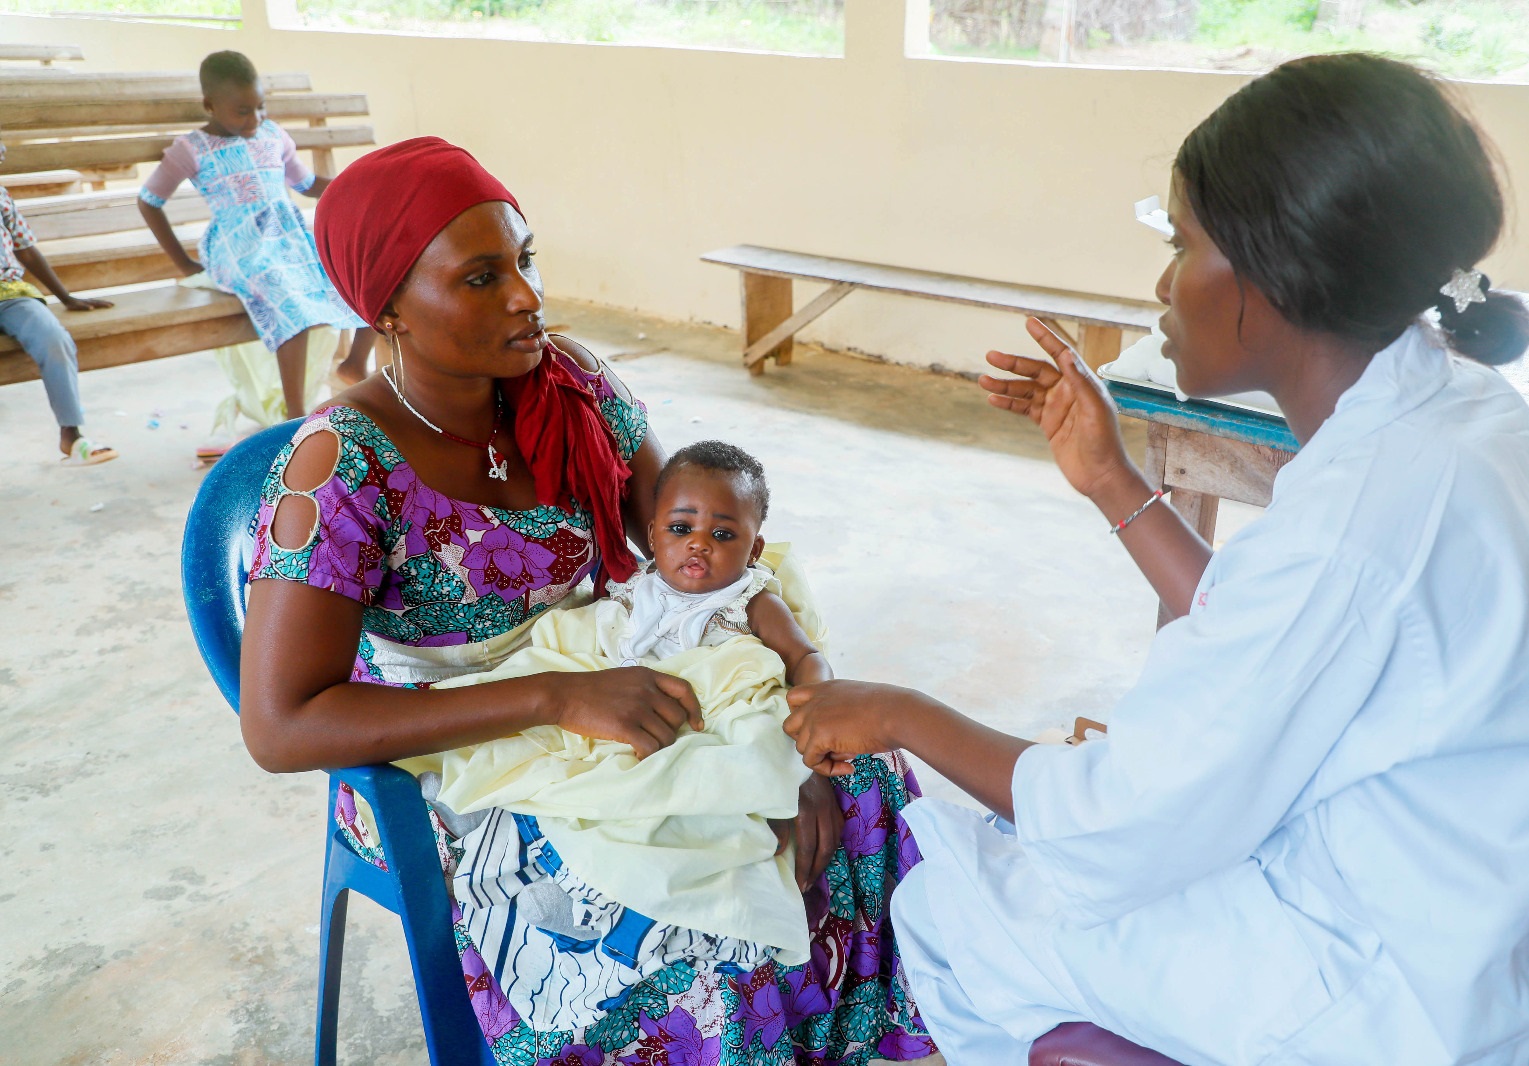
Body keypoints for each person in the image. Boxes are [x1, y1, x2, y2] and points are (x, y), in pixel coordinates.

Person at [783, 53, 1529, 1065]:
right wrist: (1109, 478)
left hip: (1379, 987)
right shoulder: (1450, 413)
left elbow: (1117, 825)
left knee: (952, 900)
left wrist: (895, 713)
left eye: (1179, 243)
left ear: (1266, 277)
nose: (1159, 284)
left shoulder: (1361, 515)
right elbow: (1269, 632)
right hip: (1456, 924)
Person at [239, 137, 933, 1065]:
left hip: (620, 674)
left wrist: (784, 725)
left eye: (524, 261)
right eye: (482, 278)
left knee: (862, 784)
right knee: (686, 920)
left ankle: (853, 1040)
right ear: (391, 307)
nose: (527, 297)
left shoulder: (569, 385)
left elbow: (694, 558)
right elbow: (282, 726)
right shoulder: (338, 467)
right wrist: (556, 698)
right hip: (451, 753)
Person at [414, 441, 838, 1032]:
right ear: (654, 533)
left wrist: (815, 723)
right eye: (681, 528)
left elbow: (804, 657)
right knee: (554, 719)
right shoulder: (639, 585)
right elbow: (601, 639)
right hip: (616, 691)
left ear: (754, 548)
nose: (698, 545)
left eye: (723, 535)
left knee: (733, 780)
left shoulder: (750, 600)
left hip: (706, 701)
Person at [137, 50, 373, 426]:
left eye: (260, 107)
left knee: (361, 268)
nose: (256, 118)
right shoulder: (191, 149)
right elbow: (149, 201)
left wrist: (357, 186)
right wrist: (183, 263)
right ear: (210, 105)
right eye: (243, 110)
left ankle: (354, 364)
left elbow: (307, 184)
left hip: (288, 237)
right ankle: (295, 418)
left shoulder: (273, 135)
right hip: (237, 246)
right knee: (284, 295)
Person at [0, 130, 118, 465]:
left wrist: (66, 297)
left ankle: (72, 434)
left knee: (54, 339)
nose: (2, 153)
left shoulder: (1, 196)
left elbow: (25, 248)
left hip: (10, 294)